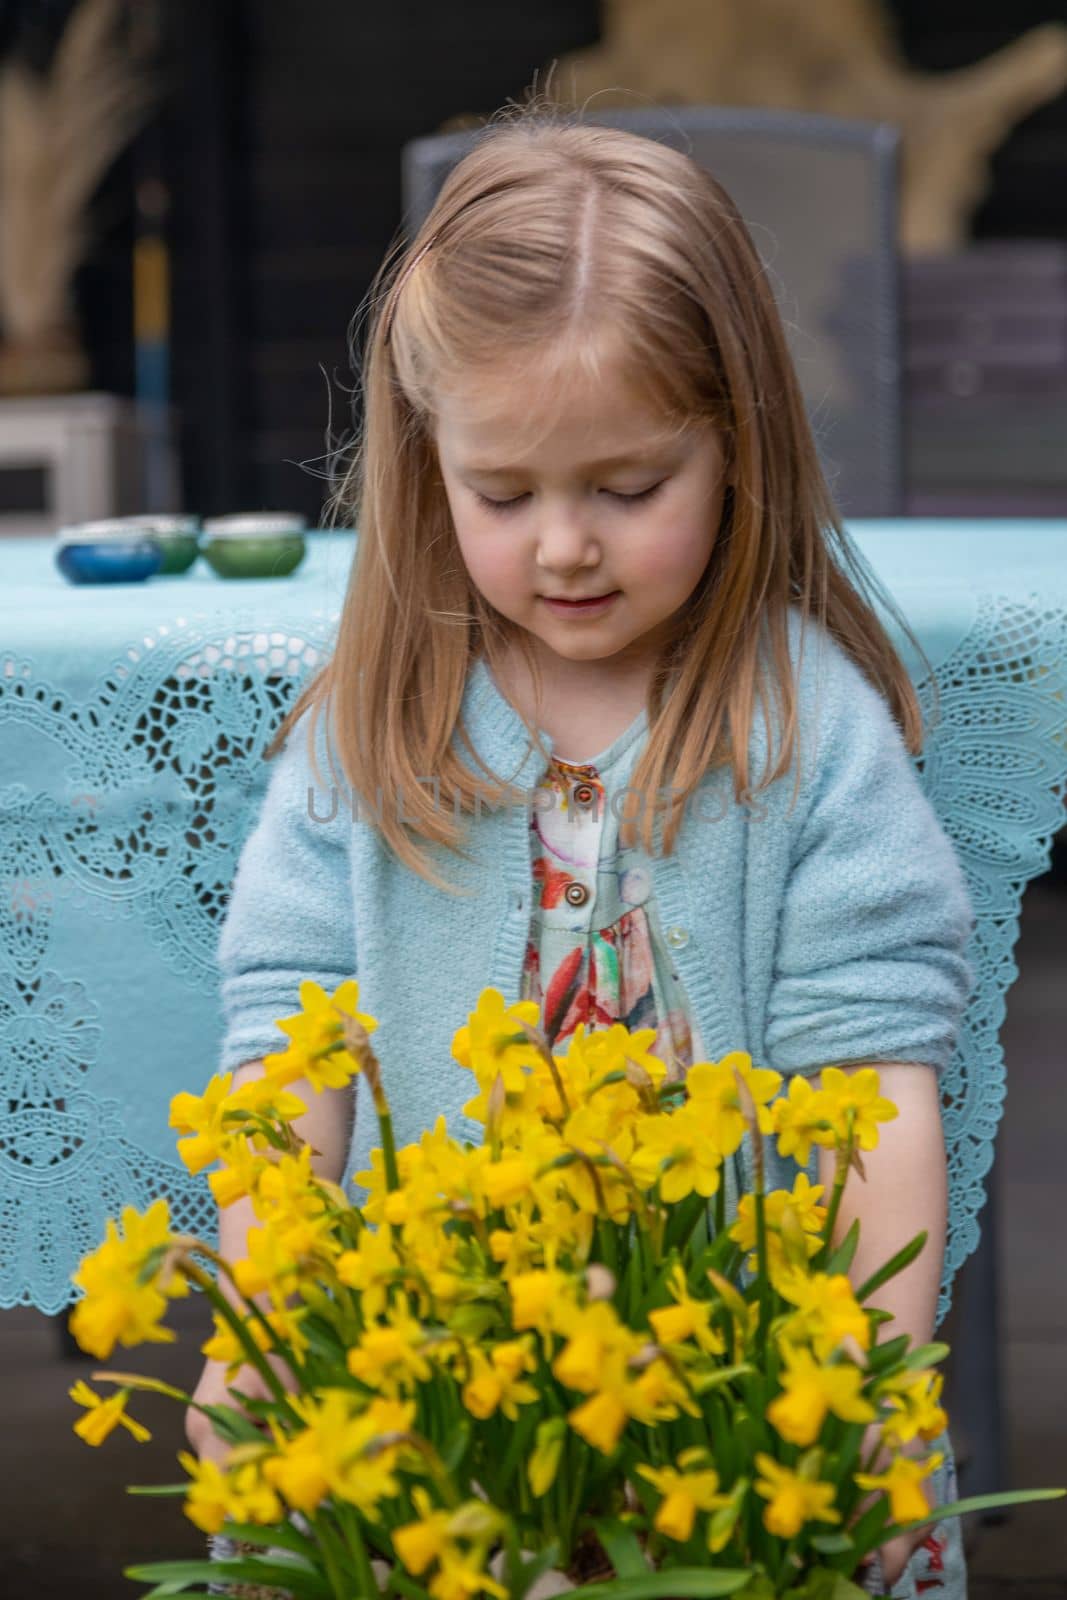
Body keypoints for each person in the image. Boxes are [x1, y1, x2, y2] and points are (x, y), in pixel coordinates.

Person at [186, 99, 974, 1598]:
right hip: (448, 1400)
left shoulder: (808, 731)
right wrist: (265, 1328)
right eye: (504, 493)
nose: (565, 546)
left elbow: (874, 1075)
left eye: (627, 488)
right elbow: (289, 1037)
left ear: (736, 446)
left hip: (731, 1402)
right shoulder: (375, 726)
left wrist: (867, 1385)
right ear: (429, 461)